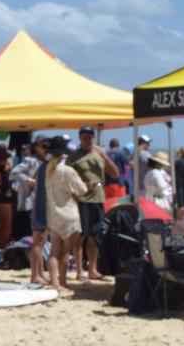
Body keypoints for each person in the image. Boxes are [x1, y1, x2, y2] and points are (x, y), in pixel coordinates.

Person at [64, 125, 117, 282]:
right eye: (85, 137)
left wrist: (105, 156)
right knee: (80, 236)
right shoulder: (74, 156)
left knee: (95, 236)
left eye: (90, 137)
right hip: (82, 199)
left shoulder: (99, 153)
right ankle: (80, 270)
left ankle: (93, 269)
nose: (88, 140)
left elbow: (115, 173)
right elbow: (65, 179)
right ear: (80, 138)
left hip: (98, 198)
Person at [44, 137, 90, 294]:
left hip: (53, 214)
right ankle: (62, 282)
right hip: (69, 214)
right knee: (65, 251)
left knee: (54, 251)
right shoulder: (68, 170)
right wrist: (92, 184)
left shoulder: (48, 170)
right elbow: (82, 190)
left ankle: (54, 282)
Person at [10, 136, 47, 281]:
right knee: (35, 240)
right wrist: (29, 181)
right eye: (43, 146)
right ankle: (35, 274)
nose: (46, 149)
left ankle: (40, 273)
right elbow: (14, 172)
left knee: (42, 240)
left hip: (40, 203)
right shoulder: (30, 160)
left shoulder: (45, 161)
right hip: (31, 203)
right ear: (36, 147)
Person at [0, 147, 15, 249]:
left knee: (3, 223)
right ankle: (2, 247)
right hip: (3, 198)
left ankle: (1, 246)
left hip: (3, 197)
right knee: (6, 223)